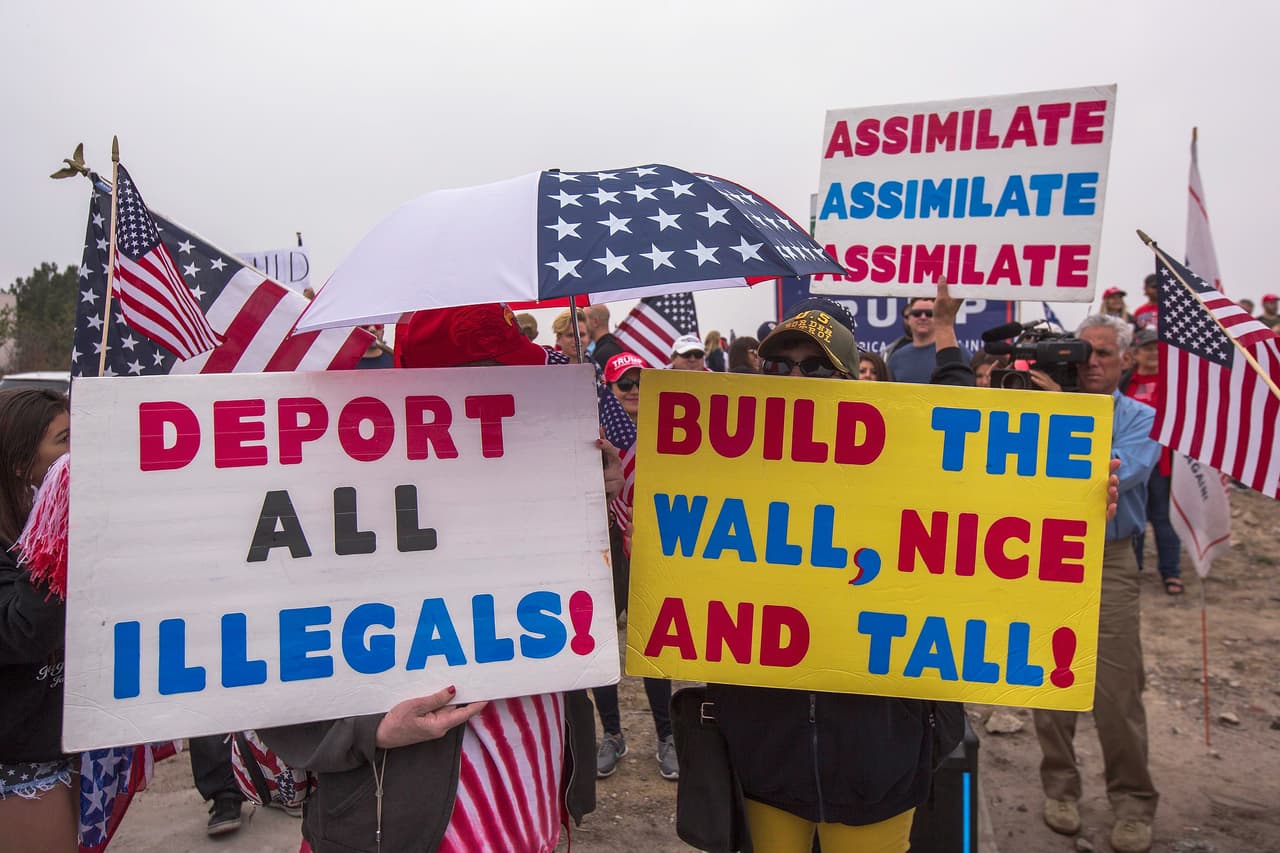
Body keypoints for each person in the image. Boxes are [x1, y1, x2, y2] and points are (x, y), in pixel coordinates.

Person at [264, 304, 624, 853]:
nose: (512, 395)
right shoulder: (338, 492)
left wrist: (596, 510)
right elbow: (256, 667)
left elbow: (598, 624)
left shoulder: (535, 474)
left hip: (530, 802)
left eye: (513, 375)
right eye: (490, 374)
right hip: (401, 821)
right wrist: (369, 730)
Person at [707, 283, 972, 853]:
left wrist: (1072, 499)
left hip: (878, 754)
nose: (796, 381)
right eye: (782, 365)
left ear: (853, 383)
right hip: (765, 752)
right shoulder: (728, 473)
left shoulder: (911, 471)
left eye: (817, 369)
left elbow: (971, 446)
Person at [1033, 314, 1161, 853]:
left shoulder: (1142, 417)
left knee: (1115, 688)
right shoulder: (1042, 406)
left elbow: (1110, 471)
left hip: (1110, 556)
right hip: (1046, 552)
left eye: (1105, 354)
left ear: (1127, 359)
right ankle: (1059, 788)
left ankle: (1132, 802)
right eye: (1083, 352)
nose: (1091, 363)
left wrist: (1064, 417)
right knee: (1048, 676)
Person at [593, 352, 678, 782]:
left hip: (654, 544)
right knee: (604, 643)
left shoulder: (671, 431)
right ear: (608, 390)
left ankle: (667, 736)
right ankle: (612, 733)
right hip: (604, 542)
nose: (632, 390)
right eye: (623, 384)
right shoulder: (594, 433)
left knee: (651, 643)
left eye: (640, 382)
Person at [0, 388, 74, 852]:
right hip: (20, 764)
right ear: (21, 464)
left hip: (57, 746)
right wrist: (56, 525)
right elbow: (25, 630)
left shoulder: (32, 522)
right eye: (64, 441)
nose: (75, 454)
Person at [1120, 329, 1183, 594]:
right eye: (1147, 349)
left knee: (1163, 519)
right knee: (1135, 519)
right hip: (1132, 463)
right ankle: (1134, 570)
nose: (1153, 354)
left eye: (1158, 349)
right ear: (1134, 354)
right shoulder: (1124, 382)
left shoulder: (1175, 383)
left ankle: (1171, 573)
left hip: (1164, 464)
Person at [883, 297, 938, 383]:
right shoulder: (896, 358)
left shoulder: (955, 353)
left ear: (938, 318)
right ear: (908, 319)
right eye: (917, 313)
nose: (923, 317)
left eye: (929, 313)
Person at [586, 304, 624, 369]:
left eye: (584, 320)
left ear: (595, 322)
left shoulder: (603, 354)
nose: (581, 325)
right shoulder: (615, 346)